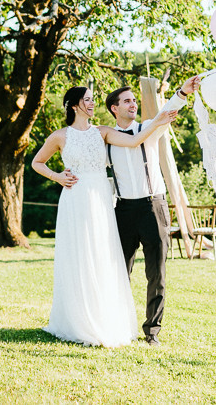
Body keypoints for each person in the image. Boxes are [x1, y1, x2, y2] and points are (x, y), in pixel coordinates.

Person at [31, 86, 177, 347]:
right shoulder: (60, 136)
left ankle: (109, 320)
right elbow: (37, 162)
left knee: (102, 259)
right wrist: (58, 176)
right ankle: (77, 320)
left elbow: (134, 140)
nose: (91, 103)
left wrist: (158, 121)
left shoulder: (103, 133)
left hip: (101, 201)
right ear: (74, 105)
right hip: (75, 200)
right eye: (87, 99)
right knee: (79, 257)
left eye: (92, 99)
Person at [105, 75, 200, 347]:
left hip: (153, 207)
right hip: (122, 210)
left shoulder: (150, 127)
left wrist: (183, 91)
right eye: (127, 101)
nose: (133, 104)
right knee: (120, 271)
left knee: (156, 273)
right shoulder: (107, 138)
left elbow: (168, 110)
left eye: (134, 100)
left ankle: (152, 332)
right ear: (114, 108)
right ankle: (117, 324)